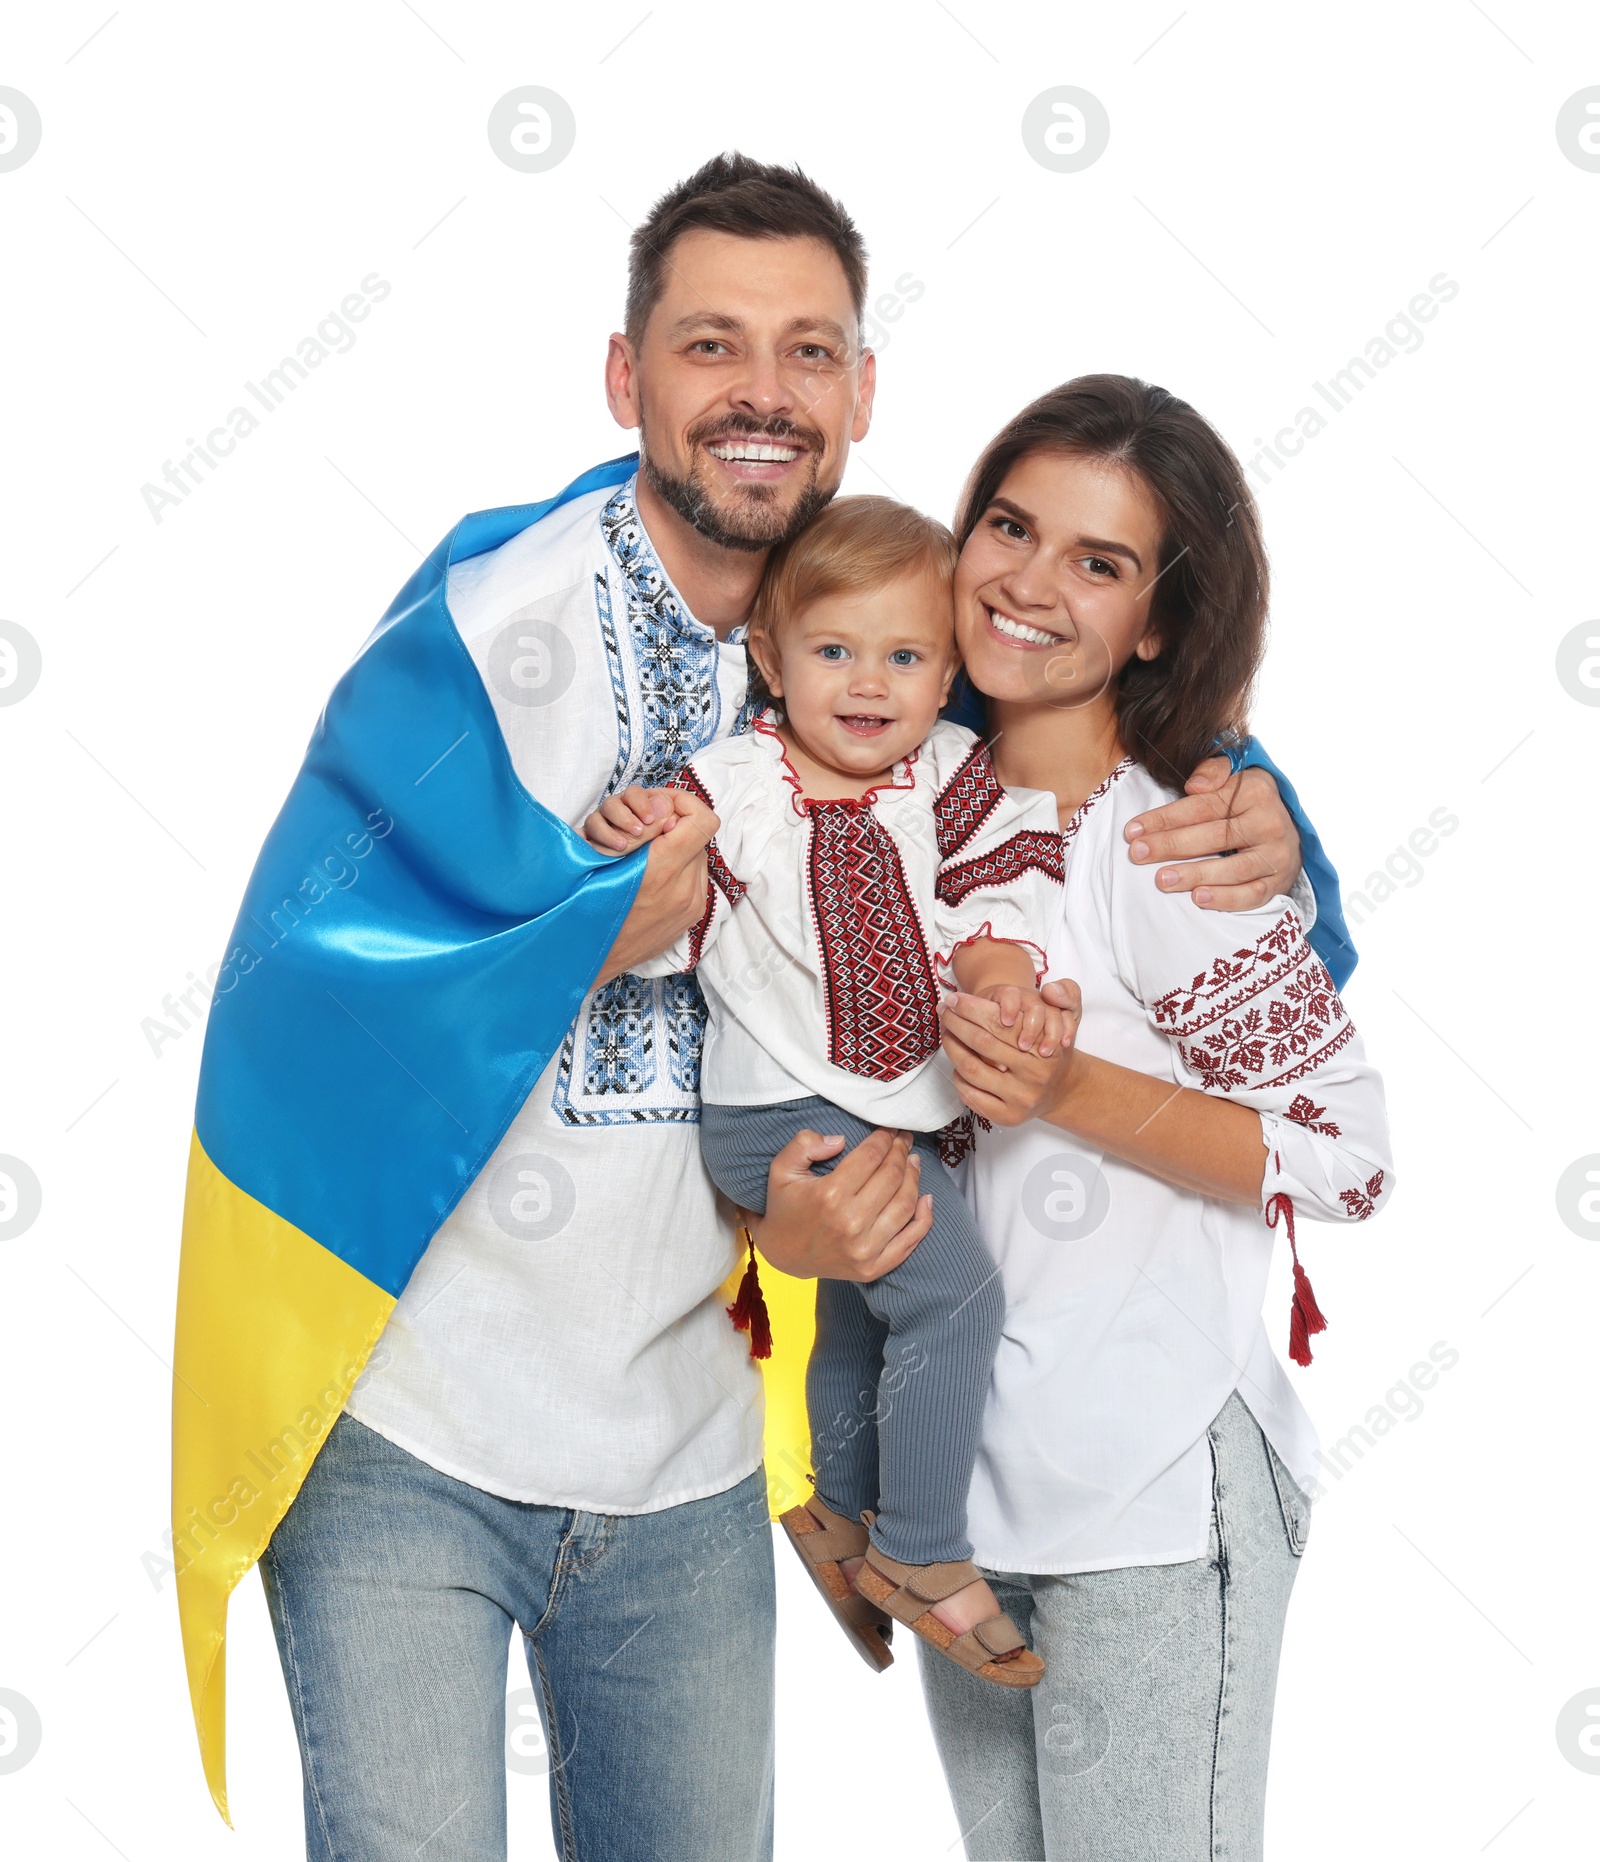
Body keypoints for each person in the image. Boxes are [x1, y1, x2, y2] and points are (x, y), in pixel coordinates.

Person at [254, 158, 1325, 1862]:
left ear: (862, 391)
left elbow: (1115, 736)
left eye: (810, 351)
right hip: (411, 1430)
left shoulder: (892, 625)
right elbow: (315, 972)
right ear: (628, 378)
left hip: (681, 1466)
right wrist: (587, 933)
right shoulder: (485, 626)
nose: (763, 393)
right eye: (711, 346)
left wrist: (1258, 804)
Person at [913, 375, 1394, 1860]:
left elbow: (1345, 1149)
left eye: (1099, 563)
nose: (1029, 583)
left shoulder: (1183, 843)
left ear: (1160, 627)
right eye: (1010, 524)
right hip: (969, 1511)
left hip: (1155, 1499)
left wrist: (1063, 1087)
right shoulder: (897, 811)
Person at [585, 496, 1065, 1688]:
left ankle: (839, 1511)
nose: (867, 682)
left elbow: (1001, 881)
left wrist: (999, 969)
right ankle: (924, 1552)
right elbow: (650, 925)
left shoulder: (952, 772)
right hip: (775, 1109)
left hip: (902, 1098)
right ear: (770, 656)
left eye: (903, 656)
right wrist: (625, 835)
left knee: (870, 1305)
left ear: (947, 667)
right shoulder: (731, 785)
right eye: (833, 650)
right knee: (954, 1294)